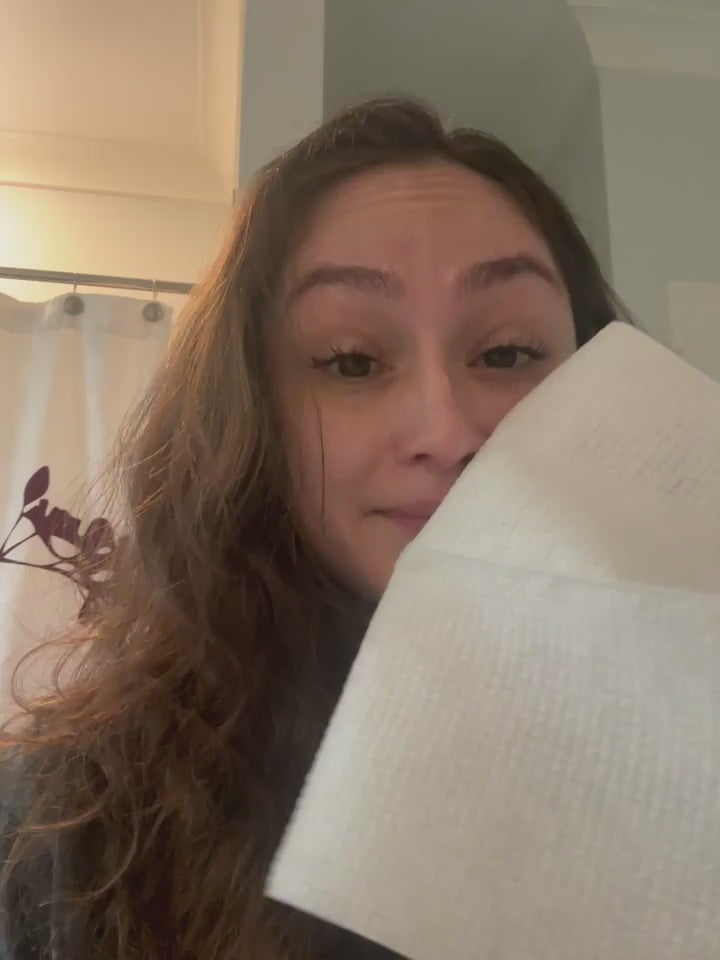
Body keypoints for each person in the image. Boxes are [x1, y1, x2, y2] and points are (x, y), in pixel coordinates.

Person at [0, 96, 623, 959]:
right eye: (352, 361)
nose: (447, 431)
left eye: (508, 352)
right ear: (252, 416)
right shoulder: (64, 825)